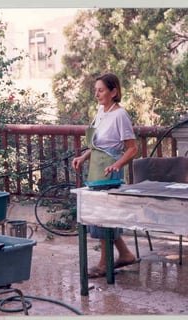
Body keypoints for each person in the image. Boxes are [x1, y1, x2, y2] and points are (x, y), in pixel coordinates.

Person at [71, 73, 140, 278]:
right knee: (100, 215)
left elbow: (132, 148)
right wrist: (83, 157)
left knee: (103, 215)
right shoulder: (102, 111)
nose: (97, 94)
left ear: (114, 92)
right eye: (96, 90)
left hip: (110, 170)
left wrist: (116, 165)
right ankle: (125, 254)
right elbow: (99, 144)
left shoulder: (120, 115)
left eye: (101, 90)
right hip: (96, 168)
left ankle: (103, 263)